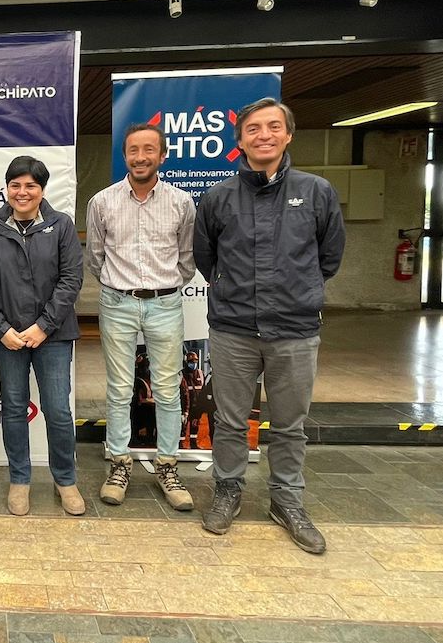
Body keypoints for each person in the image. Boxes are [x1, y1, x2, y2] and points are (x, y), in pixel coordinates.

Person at [194, 97, 345, 554]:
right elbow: (206, 258)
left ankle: (287, 500)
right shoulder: (219, 197)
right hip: (233, 329)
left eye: (273, 127)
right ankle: (227, 490)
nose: (264, 135)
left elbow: (329, 256)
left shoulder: (316, 191)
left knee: (289, 424)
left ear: (288, 135)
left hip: (295, 331)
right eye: (254, 128)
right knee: (230, 420)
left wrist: (297, 290)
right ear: (239, 141)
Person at [85, 122, 197, 512]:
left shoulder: (182, 203)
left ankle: (167, 465)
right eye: (134, 150)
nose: (141, 157)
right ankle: (119, 463)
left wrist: (161, 288)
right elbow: (95, 259)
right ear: (125, 155)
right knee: (119, 388)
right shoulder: (102, 202)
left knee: (168, 390)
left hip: (165, 303)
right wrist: (124, 287)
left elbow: (186, 260)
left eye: (149, 150)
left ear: (162, 155)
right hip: (117, 302)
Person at [0, 156, 85, 517]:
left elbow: (71, 279)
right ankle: (20, 480)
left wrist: (43, 326)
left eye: (31, 186)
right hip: (7, 338)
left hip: (52, 335)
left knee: (57, 410)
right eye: (15, 185)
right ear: (6, 188)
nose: (22, 192)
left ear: (42, 190)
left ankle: (65, 480)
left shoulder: (62, 225)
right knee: (13, 408)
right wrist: (2, 329)